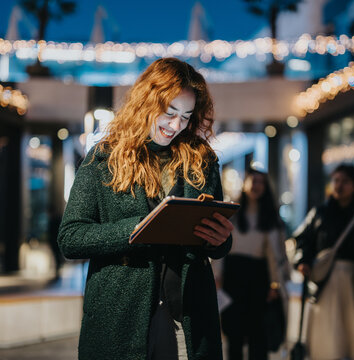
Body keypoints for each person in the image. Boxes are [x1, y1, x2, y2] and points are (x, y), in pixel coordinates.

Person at [58, 58, 234, 360]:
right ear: (145, 103)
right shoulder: (103, 158)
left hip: (188, 312)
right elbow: (70, 237)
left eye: (186, 116)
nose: (176, 126)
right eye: (169, 113)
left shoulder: (201, 159)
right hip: (121, 314)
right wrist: (139, 228)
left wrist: (220, 240)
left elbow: (213, 236)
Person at [293, 164, 354, 360]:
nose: (339, 185)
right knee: (327, 336)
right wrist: (303, 261)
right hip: (325, 283)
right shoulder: (320, 213)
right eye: (336, 180)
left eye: (345, 181)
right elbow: (302, 240)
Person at [215, 167, 290, 360]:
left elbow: (277, 256)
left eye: (260, 182)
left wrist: (275, 284)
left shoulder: (272, 219)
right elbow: (221, 246)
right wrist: (217, 275)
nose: (256, 185)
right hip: (234, 273)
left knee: (259, 333)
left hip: (259, 276)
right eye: (252, 180)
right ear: (245, 183)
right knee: (234, 333)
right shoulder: (232, 212)